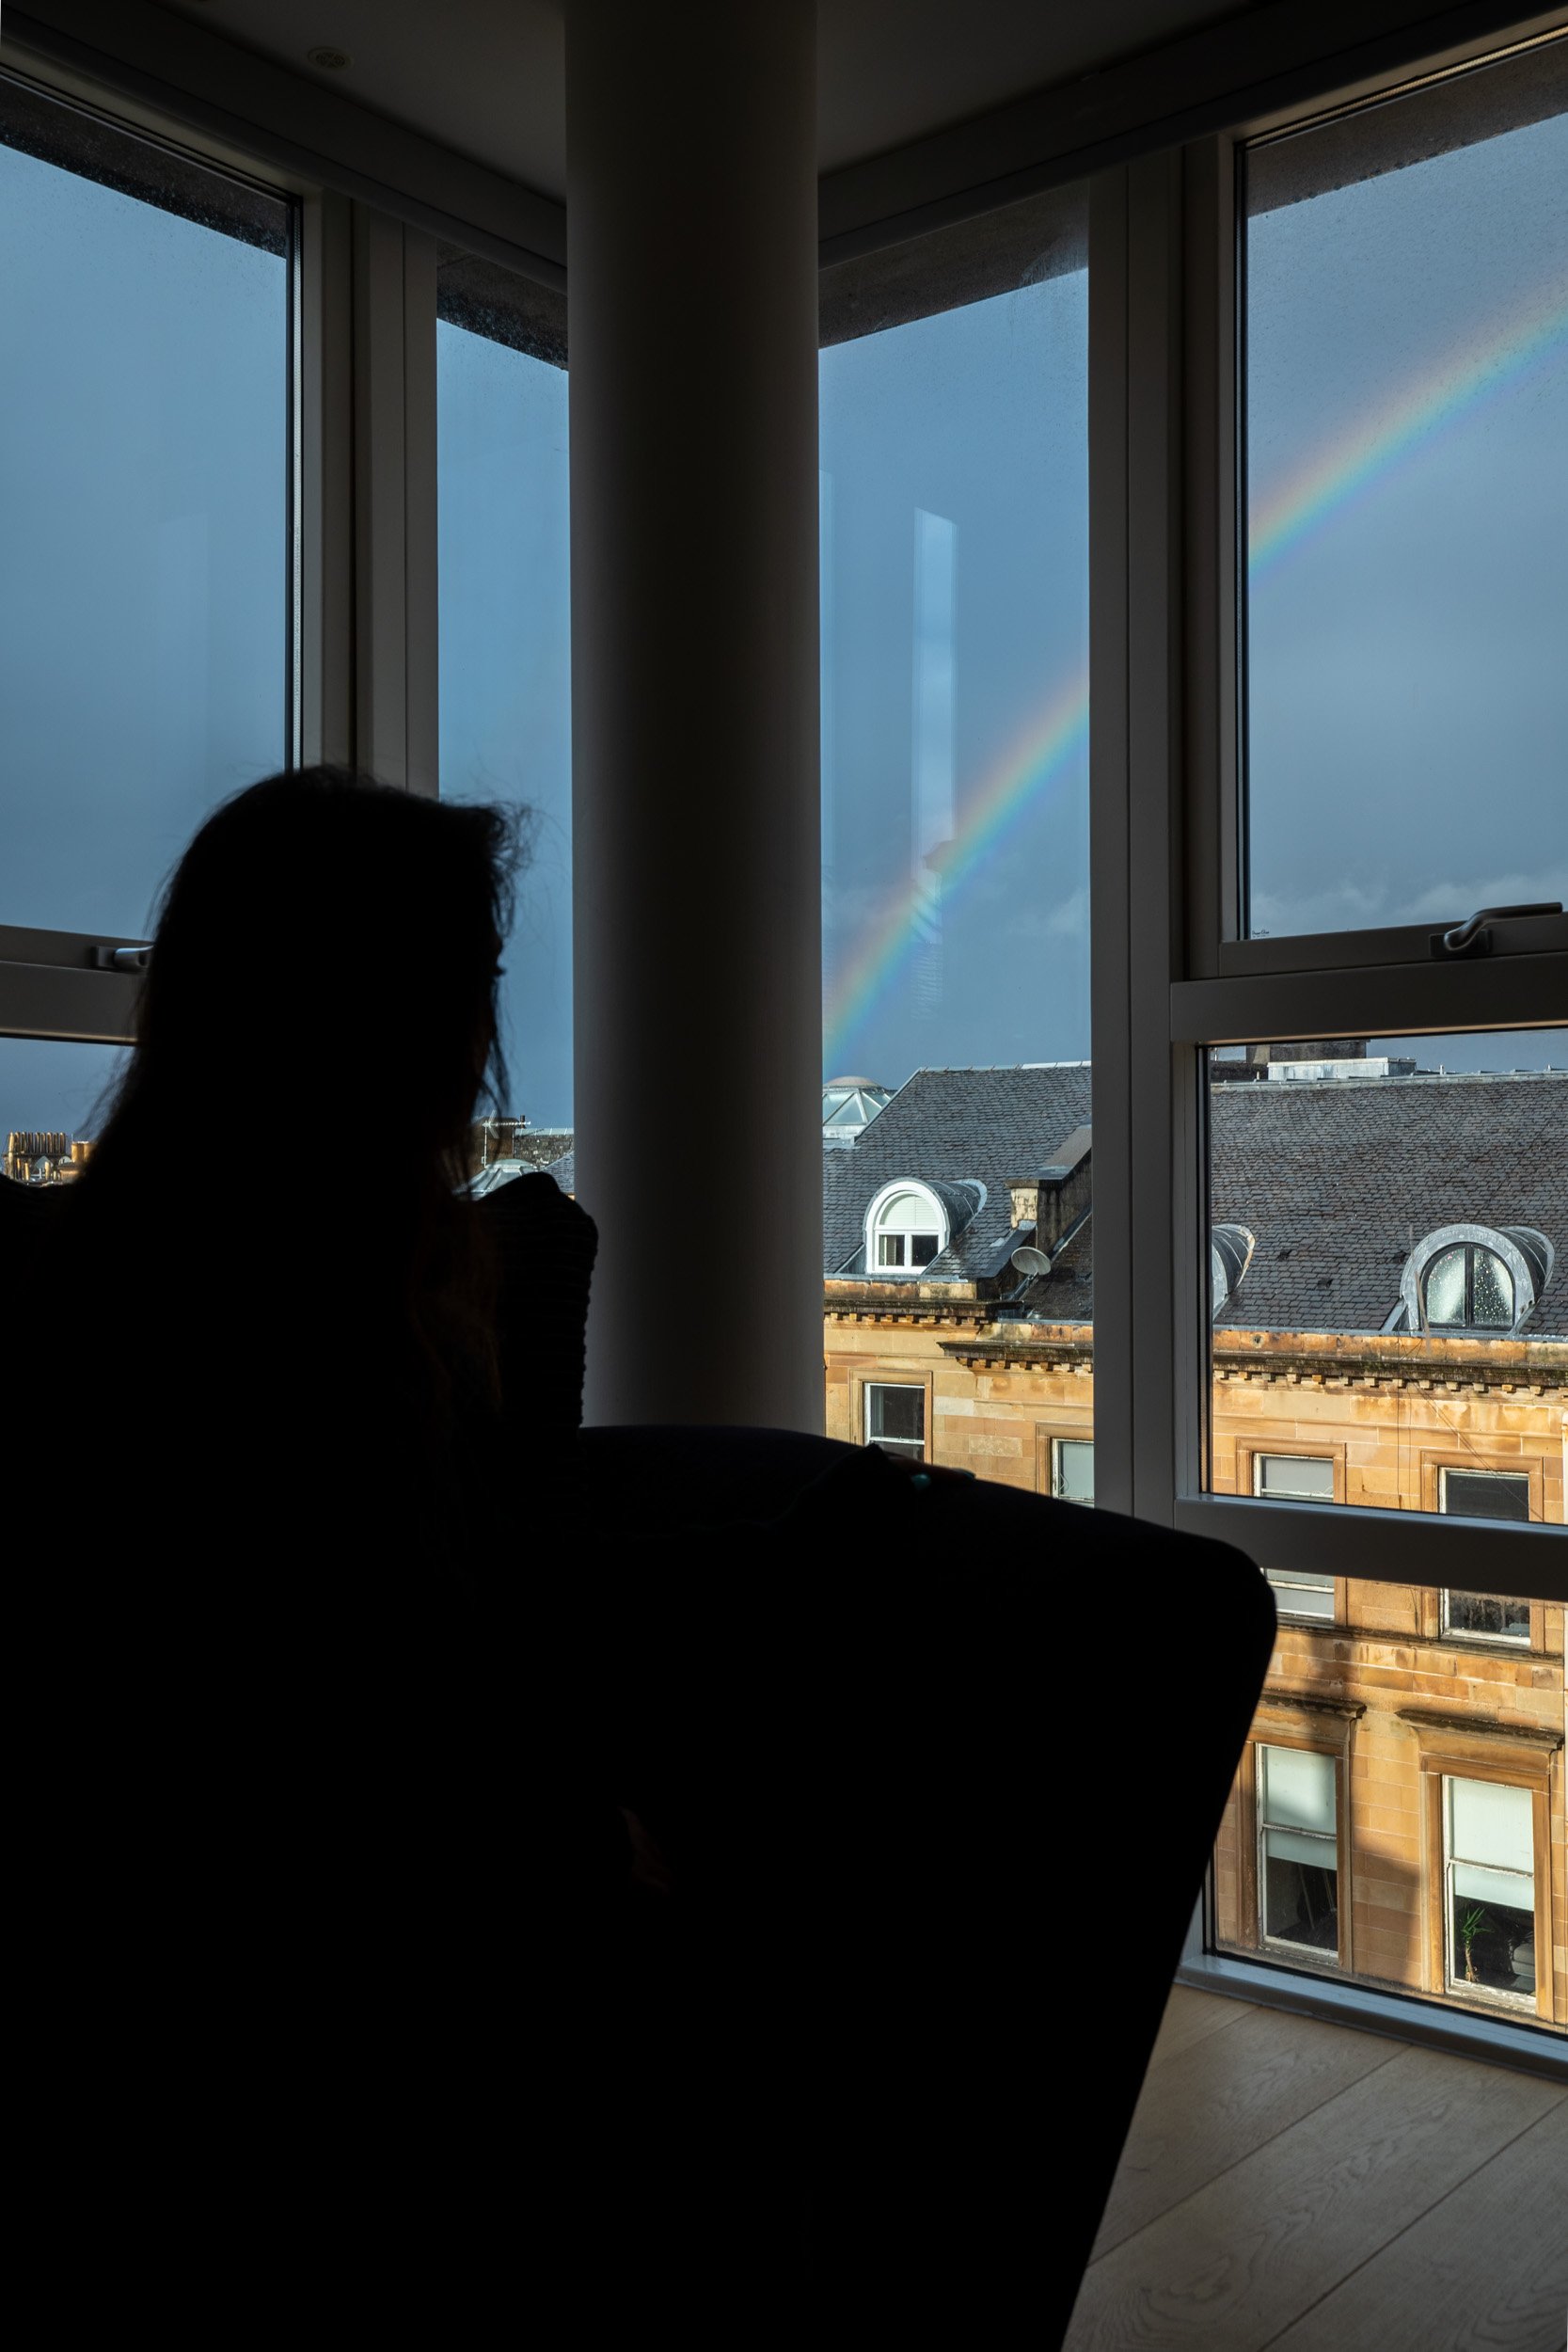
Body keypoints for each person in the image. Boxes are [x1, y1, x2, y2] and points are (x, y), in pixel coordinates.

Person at [8, 768, 614, 2325]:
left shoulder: (98, 1296)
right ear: (371, 1015)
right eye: (467, 984)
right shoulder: (332, 1357)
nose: (485, 1043)